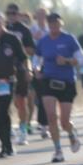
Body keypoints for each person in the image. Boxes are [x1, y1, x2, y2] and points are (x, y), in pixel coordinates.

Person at [34, 13, 83, 162]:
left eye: (56, 23)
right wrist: (36, 68)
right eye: (51, 23)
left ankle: (71, 133)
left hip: (67, 82)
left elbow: (82, 59)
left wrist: (67, 60)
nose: (53, 26)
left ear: (61, 23)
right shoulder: (43, 41)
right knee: (50, 116)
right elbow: (36, 58)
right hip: (48, 80)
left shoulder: (69, 39)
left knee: (64, 121)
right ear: (48, 25)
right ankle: (58, 150)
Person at [0, 11, 29, 157]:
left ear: (3, 23)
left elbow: (23, 57)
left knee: (3, 111)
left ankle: (7, 146)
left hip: (8, 81)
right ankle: (4, 145)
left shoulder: (12, 39)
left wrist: (27, 71)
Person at [4, 3, 36, 145]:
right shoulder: (1, 28)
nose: (11, 16)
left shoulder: (24, 30)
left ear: (18, 14)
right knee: (6, 102)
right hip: (3, 69)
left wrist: (18, 47)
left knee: (21, 102)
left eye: (13, 13)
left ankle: (23, 129)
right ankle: (9, 126)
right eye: (8, 13)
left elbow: (31, 51)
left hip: (20, 68)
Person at [30, 7, 51, 138]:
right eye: (39, 15)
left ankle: (46, 124)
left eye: (44, 15)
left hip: (50, 66)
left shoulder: (51, 30)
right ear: (35, 17)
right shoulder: (31, 30)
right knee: (40, 95)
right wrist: (33, 38)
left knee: (47, 96)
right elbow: (27, 47)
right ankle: (43, 123)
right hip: (36, 66)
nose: (41, 17)